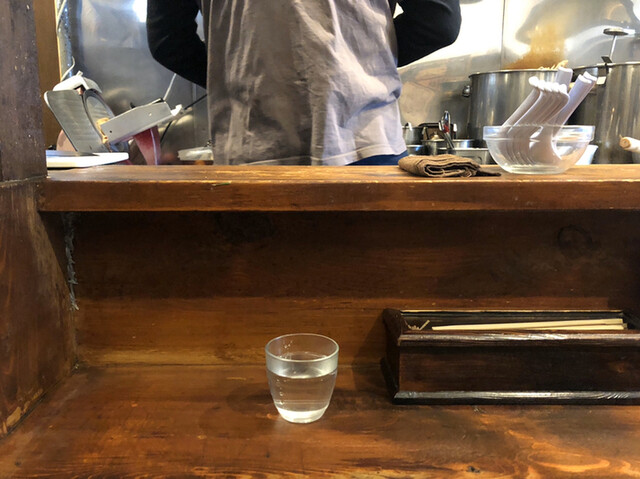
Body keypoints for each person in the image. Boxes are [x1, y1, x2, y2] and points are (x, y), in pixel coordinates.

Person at [147, 0, 461, 165]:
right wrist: (358, 65)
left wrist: (239, 80)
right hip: (364, 142)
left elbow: (168, 40)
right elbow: (437, 22)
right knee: (377, 269)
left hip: (250, 148)